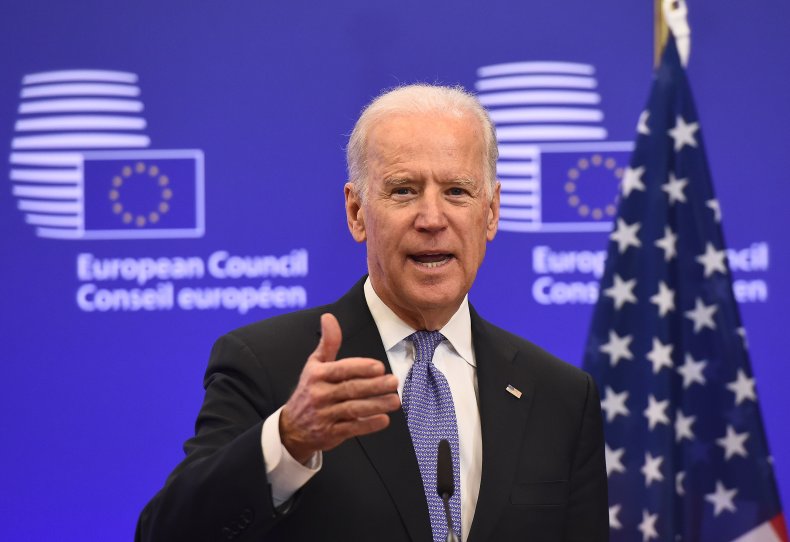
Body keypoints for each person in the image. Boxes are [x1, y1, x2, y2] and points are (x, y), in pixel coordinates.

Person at [136, 84, 608, 542]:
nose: (431, 218)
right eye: (403, 190)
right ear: (357, 212)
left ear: (491, 212)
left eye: (457, 192)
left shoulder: (562, 396)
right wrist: (289, 440)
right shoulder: (268, 365)